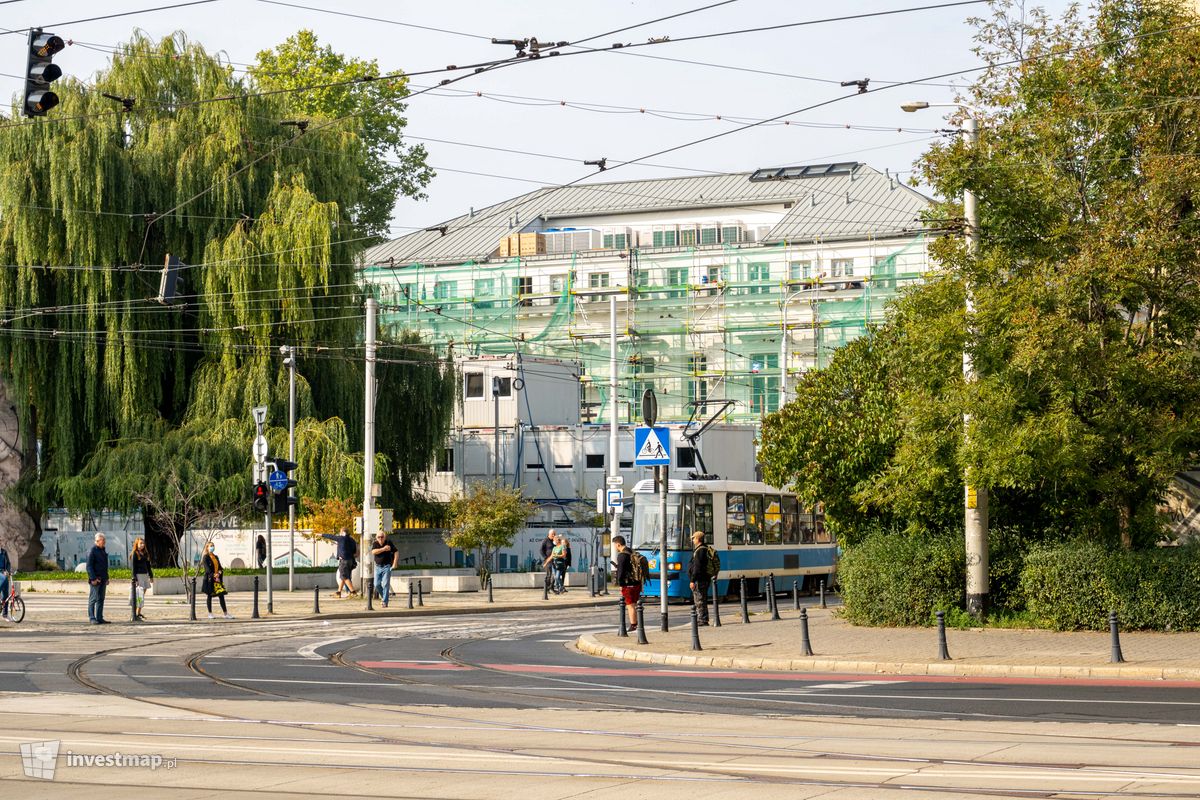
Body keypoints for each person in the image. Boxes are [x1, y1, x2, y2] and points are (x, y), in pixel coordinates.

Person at [612, 535, 640, 631]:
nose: (615, 547)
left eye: (615, 545)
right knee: (635, 604)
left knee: (630, 605)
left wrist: (620, 584)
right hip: (637, 582)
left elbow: (621, 572)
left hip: (628, 584)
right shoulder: (631, 552)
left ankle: (633, 624)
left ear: (618, 544)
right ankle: (636, 622)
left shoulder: (622, 555)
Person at [201, 541, 234, 619]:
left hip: (217, 579)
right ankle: (210, 613)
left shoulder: (216, 557)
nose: (212, 547)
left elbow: (220, 567)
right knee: (209, 596)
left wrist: (219, 572)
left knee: (221, 595)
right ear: (207, 547)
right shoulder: (205, 557)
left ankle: (226, 614)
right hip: (210, 580)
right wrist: (214, 575)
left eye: (213, 546)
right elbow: (207, 569)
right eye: (211, 546)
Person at [321, 528, 358, 597]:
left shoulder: (341, 538)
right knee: (343, 577)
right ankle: (338, 592)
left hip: (344, 560)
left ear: (343, 532)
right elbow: (354, 551)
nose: (339, 534)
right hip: (350, 560)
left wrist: (322, 534)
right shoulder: (352, 540)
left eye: (340, 532)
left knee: (344, 576)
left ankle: (353, 592)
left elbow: (331, 536)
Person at [687, 530, 711, 626]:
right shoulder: (704, 548)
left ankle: (703, 620)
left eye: (693, 538)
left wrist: (692, 580)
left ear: (697, 539)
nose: (693, 540)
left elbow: (697, 567)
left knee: (700, 600)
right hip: (704, 578)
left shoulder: (700, 550)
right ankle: (703, 618)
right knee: (701, 599)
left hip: (699, 580)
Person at [370, 532, 398, 608]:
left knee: (385, 584)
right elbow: (373, 552)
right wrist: (383, 549)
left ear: (385, 537)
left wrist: (394, 563)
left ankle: (385, 602)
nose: (380, 538)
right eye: (379, 537)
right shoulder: (375, 543)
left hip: (386, 566)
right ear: (376, 538)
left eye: (382, 537)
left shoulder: (389, 542)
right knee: (377, 584)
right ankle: (384, 596)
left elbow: (396, 552)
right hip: (377, 566)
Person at [86, 533, 109, 625]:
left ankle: (99, 617)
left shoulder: (103, 550)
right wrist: (93, 578)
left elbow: (105, 566)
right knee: (93, 599)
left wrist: (107, 578)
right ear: (97, 541)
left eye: (104, 540)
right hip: (95, 579)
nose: (104, 542)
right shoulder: (92, 551)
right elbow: (89, 566)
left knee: (101, 599)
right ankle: (92, 618)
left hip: (103, 578)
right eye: (102, 540)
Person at [131, 537, 154, 621]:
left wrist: (151, 576)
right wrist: (135, 579)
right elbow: (133, 568)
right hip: (138, 576)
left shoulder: (145, 553)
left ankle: (139, 612)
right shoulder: (135, 553)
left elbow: (148, 566)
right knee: (138, 596)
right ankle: (134, 614)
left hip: (145, 576)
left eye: (143, 543)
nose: (142, 545)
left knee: (142, 596)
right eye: (140, 543)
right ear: (136, 544)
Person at [0, 545, 12, 622]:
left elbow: (8, 563)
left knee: (6, 594)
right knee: (4, 579)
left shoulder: (4, 552)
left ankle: (5, 614)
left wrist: (7, 571)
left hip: (4, 572)